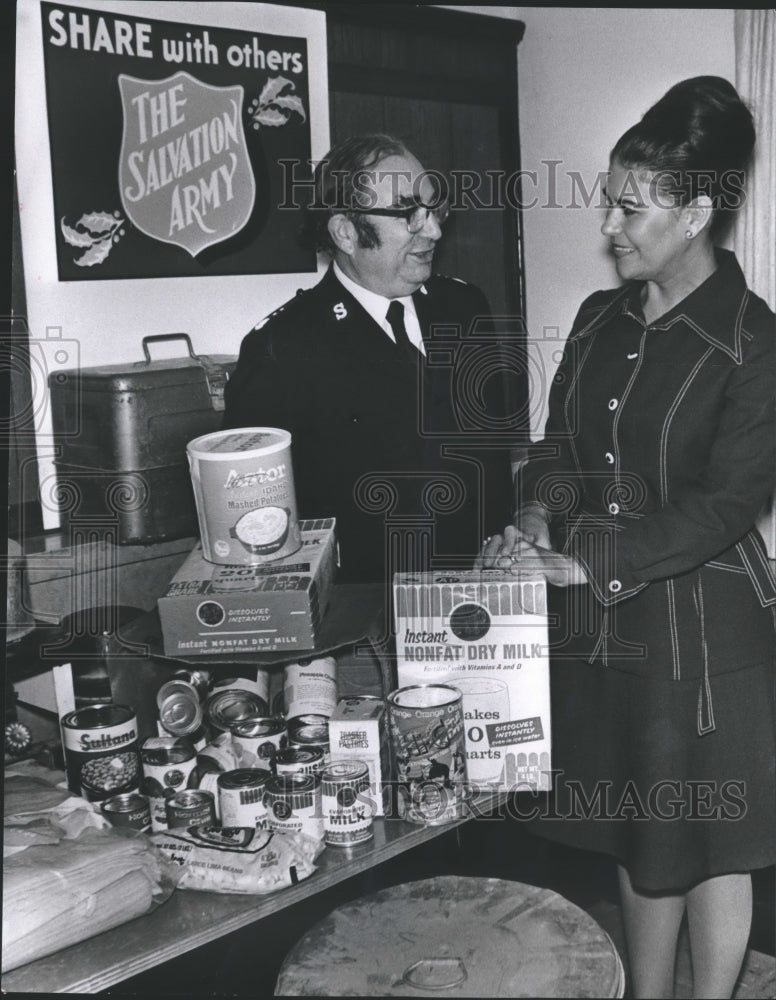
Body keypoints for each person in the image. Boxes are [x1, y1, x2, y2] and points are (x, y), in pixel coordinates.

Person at [480, 77, 776, 999]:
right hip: (600, 624)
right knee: (642, 836)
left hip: (703, 632)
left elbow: (730, 504)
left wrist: (585, 558)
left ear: (695, 213)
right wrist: (535, 512)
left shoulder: (753, 342)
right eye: (610, 198)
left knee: (711, 842)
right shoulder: (599, 319)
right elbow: (560, 447)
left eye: (629, 206)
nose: (609, 223)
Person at [224, 134, 519, 583]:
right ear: (345, 231)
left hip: (480, 600)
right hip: (363, 617)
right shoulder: (284, 347)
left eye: (434, 209)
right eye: (408, 214)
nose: (434, 231)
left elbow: (494, 456)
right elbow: (260, 521)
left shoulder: (464, 306)